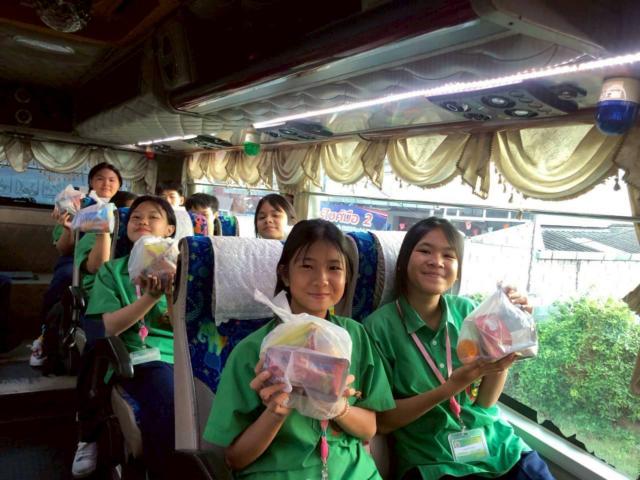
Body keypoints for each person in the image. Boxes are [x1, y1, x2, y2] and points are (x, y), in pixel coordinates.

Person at [363, 217, 555, 480]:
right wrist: (450, 388)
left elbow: (485, 402)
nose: (437, 262)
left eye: (448, 255)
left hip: (497, 447)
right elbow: (383, 422)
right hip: (432, 460)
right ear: (404, 260)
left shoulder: (468, 312)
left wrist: (508, 335)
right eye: (425, 251)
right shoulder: (377, 328)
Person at [204, 219, 395, 479]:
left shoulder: (355, 337)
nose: (321, 280)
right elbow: (235, 459)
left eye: (334, 268)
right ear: (285, 275)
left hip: (353, 472)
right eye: (307, 266)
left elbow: (369, 429)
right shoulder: (254, 350)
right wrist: (275, 411)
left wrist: (338, 408)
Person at [82, 195, 177, 479]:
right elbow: (109, 328)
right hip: (139, 356)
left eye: (153, 217)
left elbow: (184, 327)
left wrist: (171, 292)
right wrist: (151, 297)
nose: (143, 221)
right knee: (170, 401)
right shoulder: (112, 270)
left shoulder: (184, 269)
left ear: (170, 229)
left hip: (182, 353)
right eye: (136, 217)